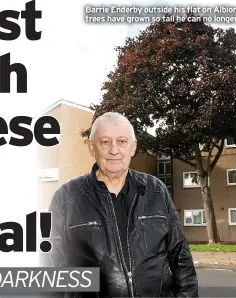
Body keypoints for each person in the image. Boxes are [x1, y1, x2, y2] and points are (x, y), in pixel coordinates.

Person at [45, 112, 199, 297]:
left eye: (122, 141)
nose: (114, 150)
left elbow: (181, 259)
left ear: (133, 147)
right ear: (91, 147)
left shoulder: (156, 191)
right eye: (105, 142)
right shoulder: (66, 198)